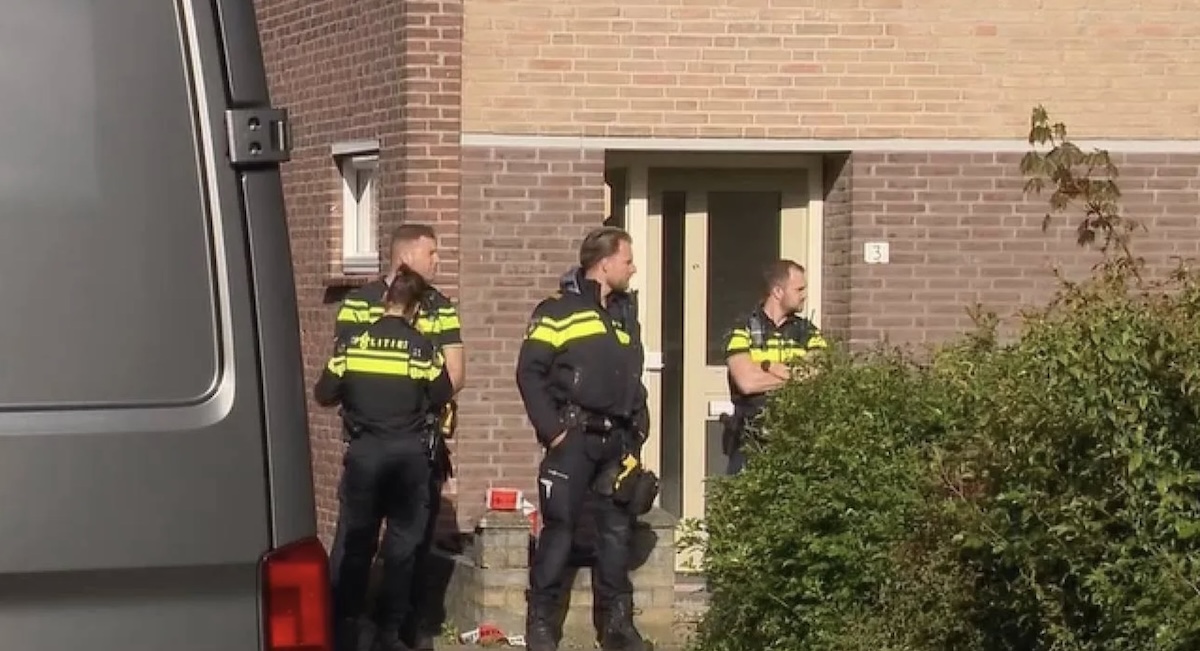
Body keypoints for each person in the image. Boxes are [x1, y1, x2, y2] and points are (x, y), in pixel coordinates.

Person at [515, 226, 653, 651]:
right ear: (605, 262)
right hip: (572, 438)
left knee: (615, 533)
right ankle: (541, 625)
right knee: (561, 529)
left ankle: (617, 628)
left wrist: (639, 427)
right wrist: (552, 430)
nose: (632, 268)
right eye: (627, 260)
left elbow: (632, 377)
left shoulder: (624, 314)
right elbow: (529, 373)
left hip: (617, 441)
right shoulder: (558, 310)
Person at [332, 223, 466, 651]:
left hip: (418, 441)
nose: (437, 261)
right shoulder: (357, 304)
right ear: (406, 257)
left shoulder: (441, 306)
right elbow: (343, 366)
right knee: (355, 537)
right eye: (432, 253)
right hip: (372, 439)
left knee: (412, 544)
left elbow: (456, 374)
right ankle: (343, 624)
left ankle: (403, 627)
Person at [721, 259, 828, 475]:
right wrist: (791, 374)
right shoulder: (743, 329)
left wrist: (765, 367)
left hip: (797, 440)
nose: (804, 295)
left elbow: (819, 374)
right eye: (799, 289)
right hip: (750, 439)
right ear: (778, 291)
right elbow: (747, 383)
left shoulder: (808, 332)